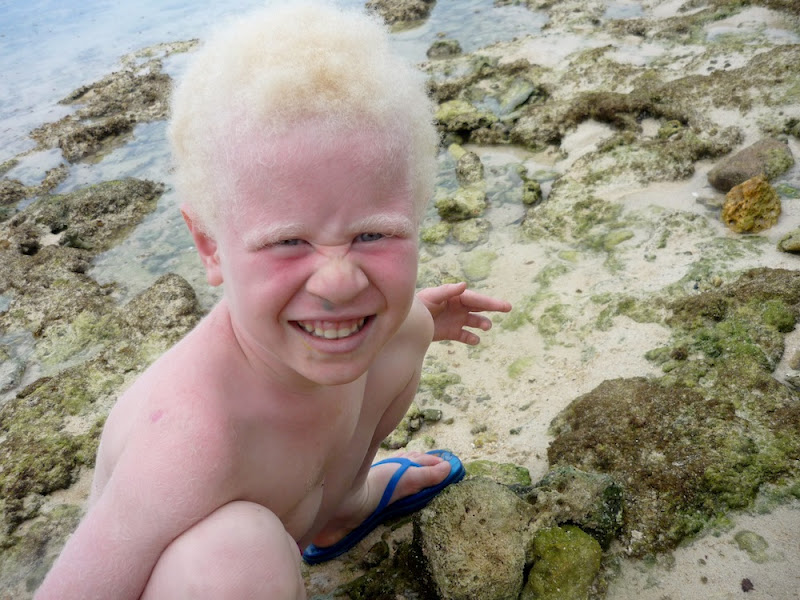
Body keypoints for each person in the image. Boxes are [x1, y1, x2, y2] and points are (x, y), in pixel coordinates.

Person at [35, 2, 511, 598]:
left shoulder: (354, 326)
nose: (338, 283)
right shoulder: (190, 439)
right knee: (234, 556)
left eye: (374, 234)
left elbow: (394, 316)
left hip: (303, 508)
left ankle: (345, 509)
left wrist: (415, 318)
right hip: (218, 574)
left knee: (408, 324)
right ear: (210, 247)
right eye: (288, 242)